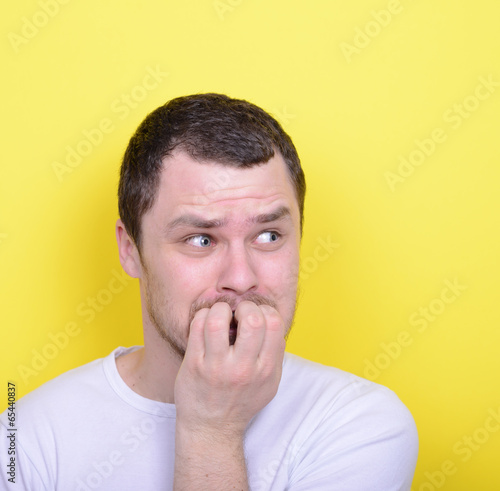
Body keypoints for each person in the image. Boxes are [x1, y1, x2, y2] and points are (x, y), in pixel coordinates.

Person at [1, 93, 418, 490]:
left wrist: (211, 430)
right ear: (130, 250)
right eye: (201, 239)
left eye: (269, 235)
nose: (240, 277)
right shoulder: (25, 438)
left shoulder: (361, 423)